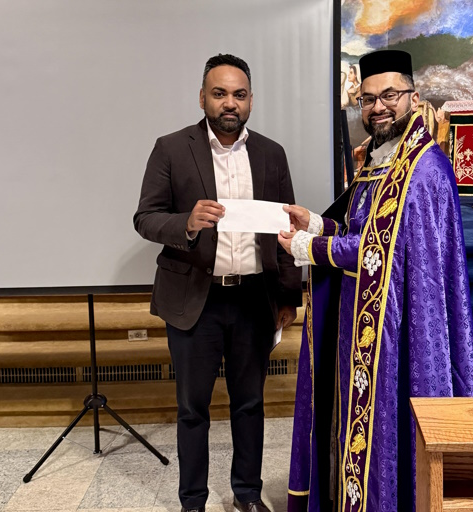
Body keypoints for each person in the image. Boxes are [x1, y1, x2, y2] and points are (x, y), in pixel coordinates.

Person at [279, 49, 473, 512]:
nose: (378, 107)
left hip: (402, 326)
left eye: (389, 95)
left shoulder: (423, 168)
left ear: (413, 97)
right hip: (362, 317)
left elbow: (382, 249)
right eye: (368, 99)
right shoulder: (376, 159)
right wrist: (317, 224)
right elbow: (362, 230)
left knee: (385, 426)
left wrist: (309, 248)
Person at [134, 53, 302, 512]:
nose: (230, 103)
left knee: (249, 403)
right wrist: (186, 223)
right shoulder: (171, 148)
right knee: (193, 408)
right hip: (195, 299)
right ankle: (192, 500)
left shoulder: (271, 153)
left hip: (253, 298)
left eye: (239, 94)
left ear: (251, 100)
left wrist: (289, 295)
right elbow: (145, 218)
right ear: (202, 97)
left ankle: (247, 494)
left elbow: (287, 229)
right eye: (220, 93)